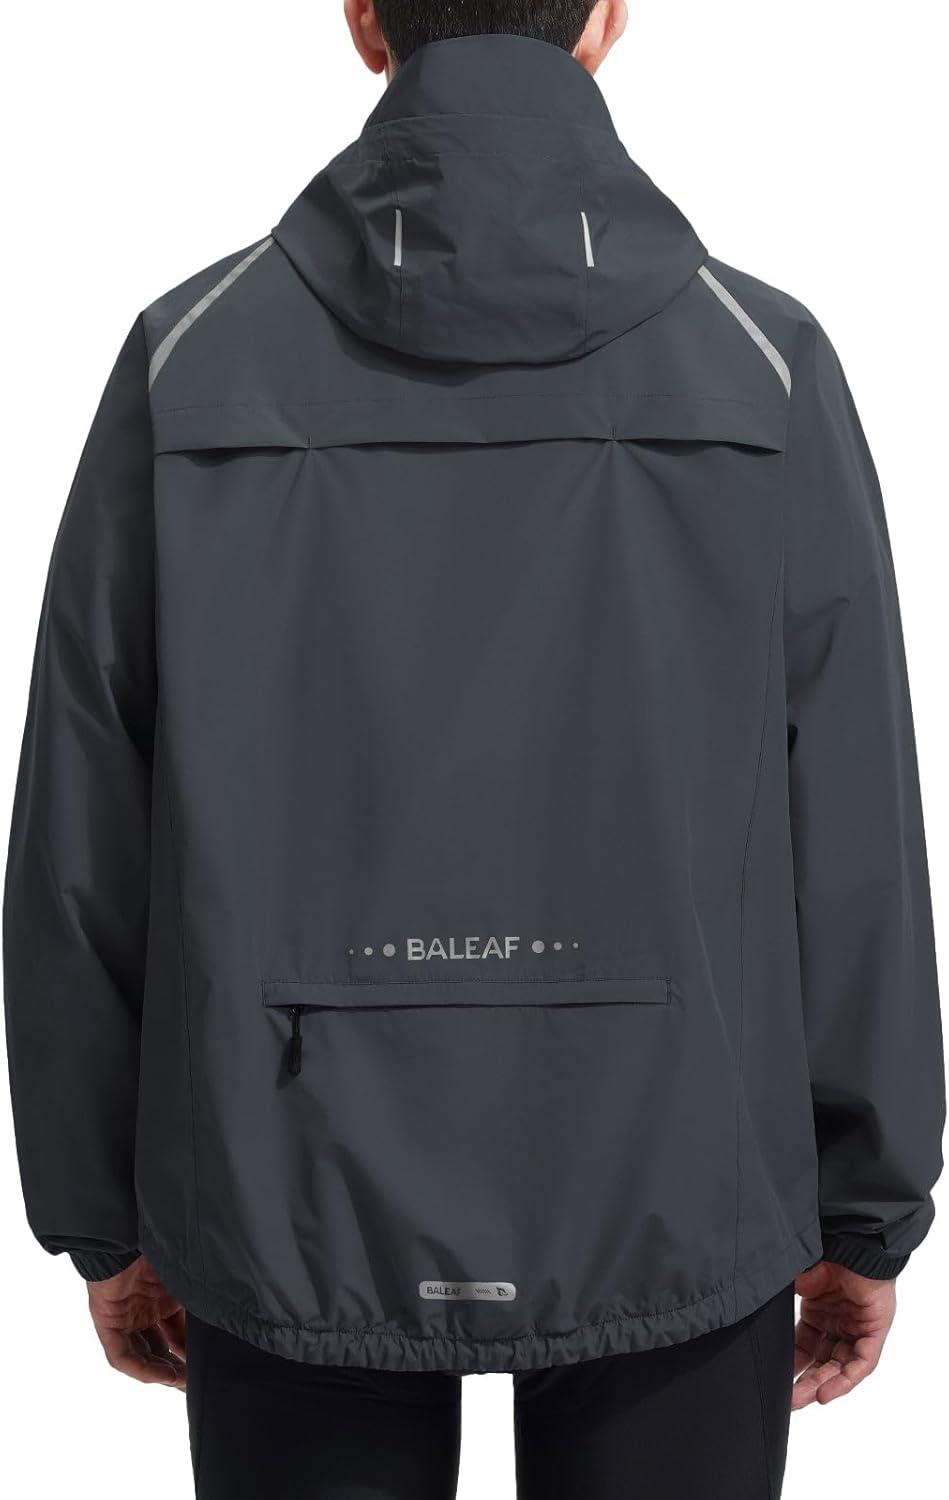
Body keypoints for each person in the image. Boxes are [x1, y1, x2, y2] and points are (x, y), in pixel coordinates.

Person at [3, 2, 944, 1496]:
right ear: (608, 19)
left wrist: (100, 1217)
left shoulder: (194, 355)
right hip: (675, 1172)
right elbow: (854, 828)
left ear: (363, 20)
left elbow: (84, 827)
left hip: (282, 1174)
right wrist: (866, 1208)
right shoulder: (758, 360)